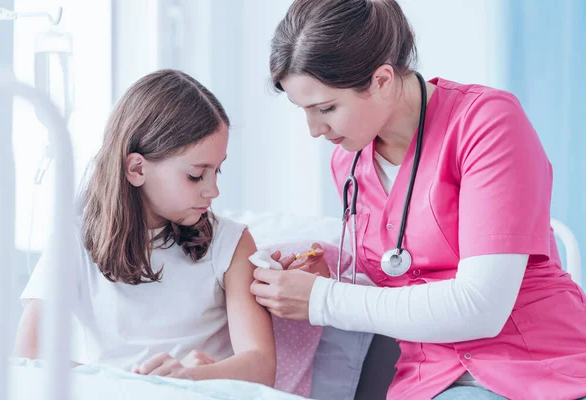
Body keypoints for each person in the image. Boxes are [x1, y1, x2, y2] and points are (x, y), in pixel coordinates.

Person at [250, 1, 586, 399]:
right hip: (426, 383)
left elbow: (480, 306)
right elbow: (404, 278)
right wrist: (329, 279)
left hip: (536, 372)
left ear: (382, 79)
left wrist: (324, 300)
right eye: (303, 110)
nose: (313, 130)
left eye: (326, 108)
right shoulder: (349, 162)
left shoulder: (487, 123)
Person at [14, 69, 276, 386]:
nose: (213, 191)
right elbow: (30, 355)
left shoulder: (232, 243)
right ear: (137, 168)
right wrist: (136, 384)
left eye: (217, 171)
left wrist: (191, 376)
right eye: (196, 175)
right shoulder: (75, 238)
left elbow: (261, 366)